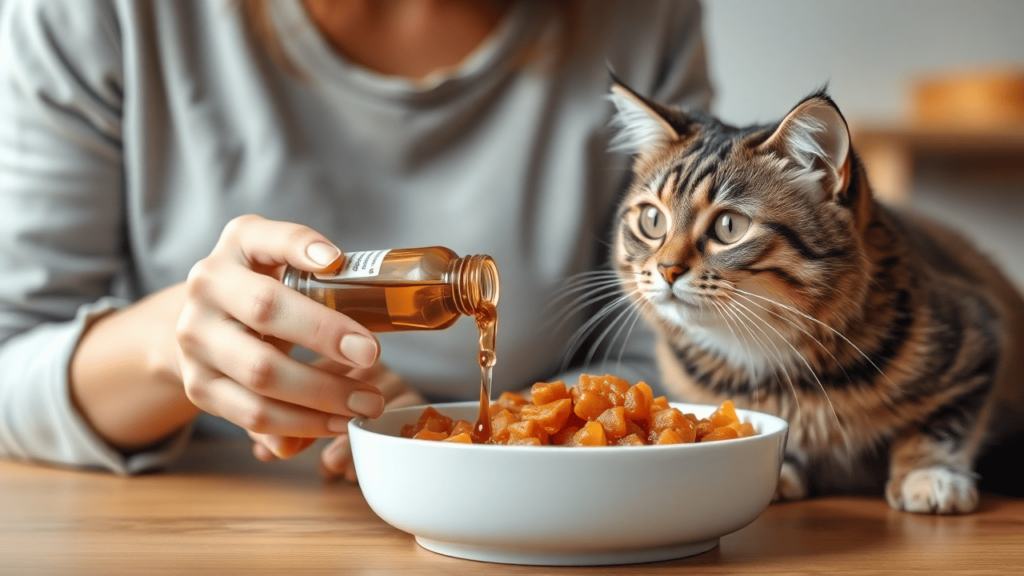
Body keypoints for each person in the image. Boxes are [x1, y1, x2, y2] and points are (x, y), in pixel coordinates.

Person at [0, 0, 711, 479]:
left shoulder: (640, 20)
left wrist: (505, 440)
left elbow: (676, 353)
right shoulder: (100, 17)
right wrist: (170, 347)